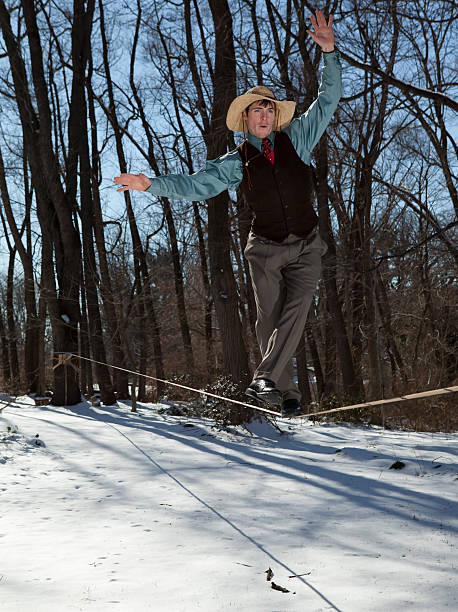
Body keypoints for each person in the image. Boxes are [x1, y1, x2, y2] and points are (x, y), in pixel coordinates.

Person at [114, 9, 341, 417]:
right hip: (267, 249)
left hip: (307, 244)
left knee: (298, 306)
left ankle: (267, 380)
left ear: (275, 116)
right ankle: (286, 392)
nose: (264, 116)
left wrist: (328, 53)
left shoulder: (298, 139)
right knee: (268, 320)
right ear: (245, 119)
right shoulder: (236, 162)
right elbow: (198, 184)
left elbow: (328, 98)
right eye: (257, 111)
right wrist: (154, 185)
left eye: (269, 110)